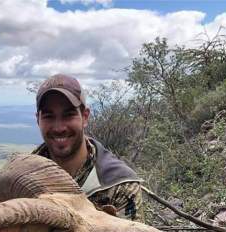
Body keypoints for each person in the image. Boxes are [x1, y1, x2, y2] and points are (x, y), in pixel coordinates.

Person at [33, 74, 144, 221]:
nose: (59, 127)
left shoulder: (120, 184)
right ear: (38, 120)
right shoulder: (22, 179)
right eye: (49, 116)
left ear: (85, 117)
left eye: (68, 115)